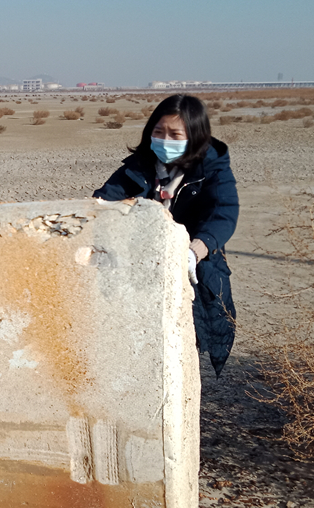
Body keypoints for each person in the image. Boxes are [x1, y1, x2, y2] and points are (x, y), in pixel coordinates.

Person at [93, 94, 239, 375]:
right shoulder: (138, 166)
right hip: (141, 265)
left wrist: (195, 250)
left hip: (195, 266)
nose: (165, 140)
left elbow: (224, 212)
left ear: (194, 135)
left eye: (175, 134)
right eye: (159, 132)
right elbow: (104, 202)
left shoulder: (212, 166)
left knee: (184, 346)